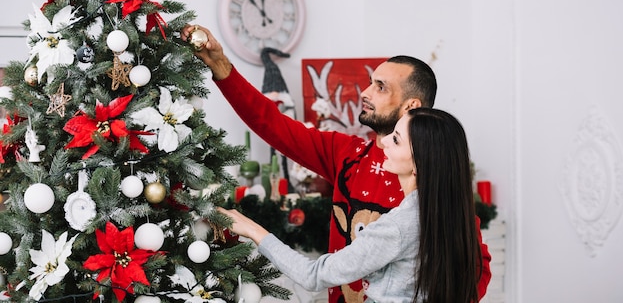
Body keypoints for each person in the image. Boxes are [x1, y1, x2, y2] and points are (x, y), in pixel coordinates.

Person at [180, 24, 491, 302]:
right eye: (371, 82)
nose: (365, 93)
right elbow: (272, 124)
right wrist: (220, 66)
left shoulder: (437, 189)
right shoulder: (346, 153)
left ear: (411, 105)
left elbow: (474, 269)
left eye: (380, 87)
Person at [219, 108, 482, 303]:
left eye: (397, 139)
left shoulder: (399, 226)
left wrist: (253, 230)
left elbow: (313, 275)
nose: (384, 141)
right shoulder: (450, 215)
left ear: (420, 164)